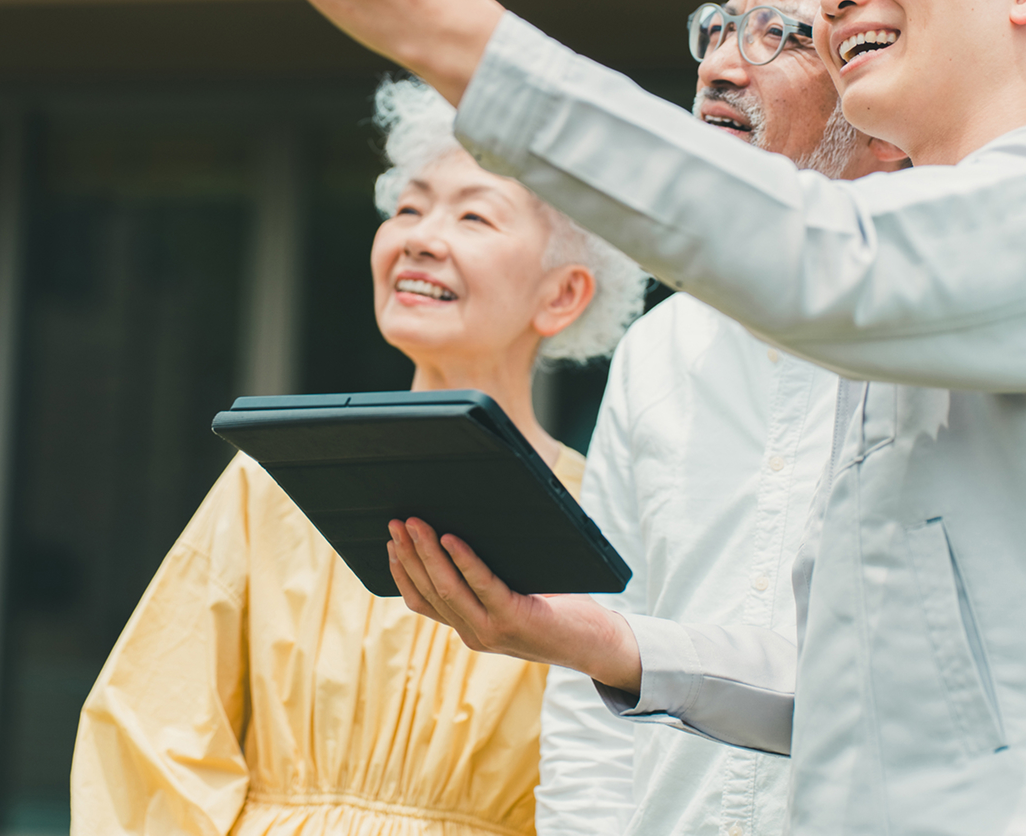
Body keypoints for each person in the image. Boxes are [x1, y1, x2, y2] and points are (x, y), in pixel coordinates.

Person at [218, 0, 1026, 832]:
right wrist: (590, 637)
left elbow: (827, 260)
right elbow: (850, 690)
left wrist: (460, 36)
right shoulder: (894, 292)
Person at [69, 77, 646, 836]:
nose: (420, 238)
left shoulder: (603, 516)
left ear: (563, 294)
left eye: (473, 214)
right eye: (408, 207)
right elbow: (150, 740)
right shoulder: (279, 476)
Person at [537, 0, 907, 836]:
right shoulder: (658, 347)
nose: (720, 67)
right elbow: (595, 660)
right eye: (718, 29)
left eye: (780, 36)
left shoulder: (938, 334)